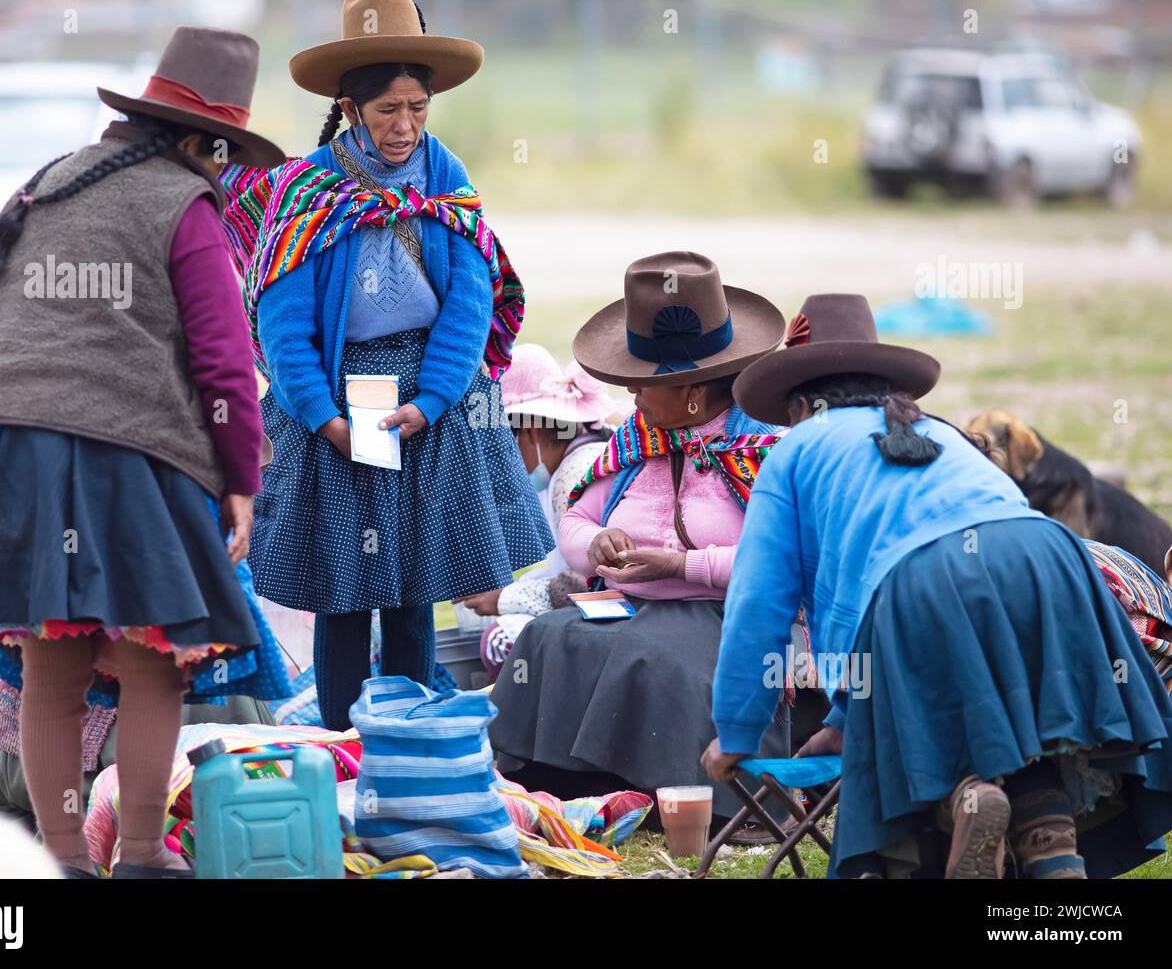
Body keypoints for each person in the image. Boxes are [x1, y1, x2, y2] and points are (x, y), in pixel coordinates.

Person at [0, 27, 287, 878]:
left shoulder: (48, 182)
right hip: (116, 452)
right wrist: (241, 481)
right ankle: (141, 856)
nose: (225, 174)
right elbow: (223, 360)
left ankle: (63, 860)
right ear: (198, 142)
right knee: (155, 667)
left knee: (52, 670)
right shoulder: (184, 207)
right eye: (223, 155)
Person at [705, 293, 1172, 879]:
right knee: (1030, 726)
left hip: (923, 575)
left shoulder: (794, 451)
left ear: (800, 405)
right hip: (1052, 559)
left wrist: (736, 731)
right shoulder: (939, 431)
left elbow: (760, 603)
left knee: (918, 733)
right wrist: (840, 725)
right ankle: (1057, 866)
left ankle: (963, 802)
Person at [220, 0, 551, 731]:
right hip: (341, 396)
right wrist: (323, 416)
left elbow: (469, 298)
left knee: (416, 582)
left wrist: (430, 402)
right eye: (387, 111)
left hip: (434, 394)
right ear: (348, 110)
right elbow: (281, 319)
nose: (405, 127)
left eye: (417, 109)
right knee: (346, 586)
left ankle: (405, 742)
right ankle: (342, 741)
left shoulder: (447, 174)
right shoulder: (309, 188)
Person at [490, 251, 799, 827]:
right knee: (550, 638)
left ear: (691, 391)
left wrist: (683, 566)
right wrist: (599, 542)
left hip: (726, 615)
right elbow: (576, 521)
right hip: (629, 607)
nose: (630, 398)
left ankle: (697, 800)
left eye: (641, 386)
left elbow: (782, 565)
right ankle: (563, 783)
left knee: (658, 659)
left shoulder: (766, 453)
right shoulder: (635, 441)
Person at [456, 343, 625, 678]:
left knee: (501, 640)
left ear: (530, 432)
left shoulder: (575, 477)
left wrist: (506, 598)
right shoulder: (576, 463)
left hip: (612, 619)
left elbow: (589, 586)